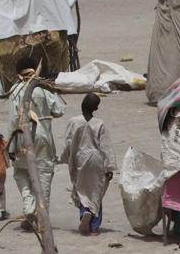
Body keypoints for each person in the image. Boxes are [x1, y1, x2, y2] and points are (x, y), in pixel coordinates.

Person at [7, 56, 66, 231]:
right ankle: (41, 215)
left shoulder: (15, 91)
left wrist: (10, 148)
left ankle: (28, 205)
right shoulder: (42, 89)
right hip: (43, 138)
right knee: (44, 176)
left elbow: (12, 120)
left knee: (20, 172)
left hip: (22, 137)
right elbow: (60, 110)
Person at [60, 93, 115, 235]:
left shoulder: (74, 121)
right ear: (96, 108)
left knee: (82, 190)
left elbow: (68, 143)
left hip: (80, 159)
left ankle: (85, 212)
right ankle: (94, 228)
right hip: (97, 160)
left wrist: (64, 158)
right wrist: (109, 167)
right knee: (96, 192)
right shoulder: (99, 123)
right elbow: (106, 146)